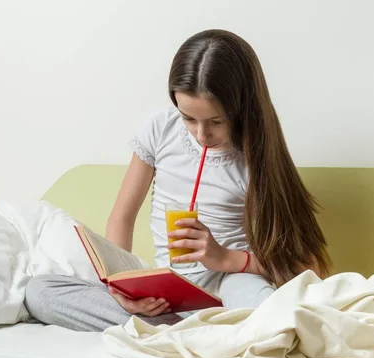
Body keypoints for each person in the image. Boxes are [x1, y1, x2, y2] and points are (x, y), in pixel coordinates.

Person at [25, 29, 331, 332]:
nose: (201, 135)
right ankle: (190, 331)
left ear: (242, 108)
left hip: (229, 282)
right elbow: (122, 217)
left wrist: (227, 259)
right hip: (165, 285)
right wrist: (121, 288)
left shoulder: (257, 158)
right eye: (188, 118)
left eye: (216, 121)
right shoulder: (160, 130)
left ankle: (169, 332)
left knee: (268, 314)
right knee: (41, 291)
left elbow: (308, 266)